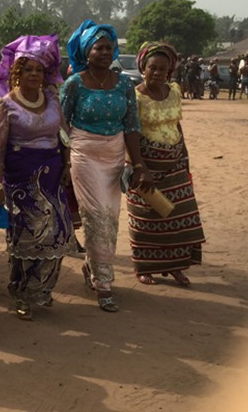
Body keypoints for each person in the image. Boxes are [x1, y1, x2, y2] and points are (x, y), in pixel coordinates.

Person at [60, 21, 150, 313]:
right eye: (98, 47)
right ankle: (104, 284)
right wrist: (62, 161)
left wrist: (137, 163)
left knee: (110, 219)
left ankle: (93, 267)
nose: (104, 52)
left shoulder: (124, 83)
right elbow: (61, 124)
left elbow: (132, 125)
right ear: (86, 51)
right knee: (96, 216)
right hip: (84, 152)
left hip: (114, 154)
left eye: (108, 48)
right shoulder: (74, 83)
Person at [0, 34, 77, 320]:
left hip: (52, 175)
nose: (35, 75)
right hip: (20, 179)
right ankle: (22, 293)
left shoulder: (52, 98)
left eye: (39, 70)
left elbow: (63, 133)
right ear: (17, 72)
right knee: (27, 238)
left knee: (58, 234)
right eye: (29, 69)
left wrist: (66, 164)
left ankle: (42, 289)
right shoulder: (5, 105)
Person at [128, 42, 205, 286]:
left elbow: (176, 125)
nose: (158, 73)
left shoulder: (174, 91)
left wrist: (185, 158)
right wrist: (139, 167)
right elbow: (130, 132)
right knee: (146, 220)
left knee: (179, 218)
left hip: (175, 167)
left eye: (163, 69)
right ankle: (144, 268)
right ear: (143, 68)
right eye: (153, 68)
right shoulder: (135, 96)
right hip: (145, 168)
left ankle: (176, 267)